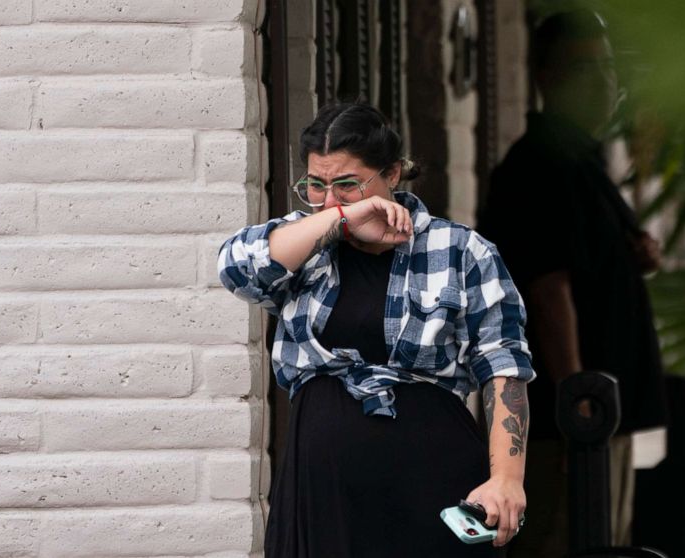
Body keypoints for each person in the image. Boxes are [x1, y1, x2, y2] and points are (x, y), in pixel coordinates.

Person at [218, 103, 534, 557]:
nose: (328, 198)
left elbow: (504, 366)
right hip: (323, 486)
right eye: (315, 185)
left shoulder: (461, 250)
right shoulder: (305, 241)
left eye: (347, 185)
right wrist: (340, 218)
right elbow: (236, 271)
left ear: (391, 174)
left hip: (434, 474)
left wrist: (507, 479)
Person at [479, 10, 667, 556]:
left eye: (609, 69)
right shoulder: (539, 164)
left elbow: (593, 262)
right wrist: (574, 398)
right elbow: (546, 290)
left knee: (608, 541)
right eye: (587, 70)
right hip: (567, 423)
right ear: (546, 77)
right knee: (568, 538)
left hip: (602, 412)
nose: (605, 84)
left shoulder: (584, 159)